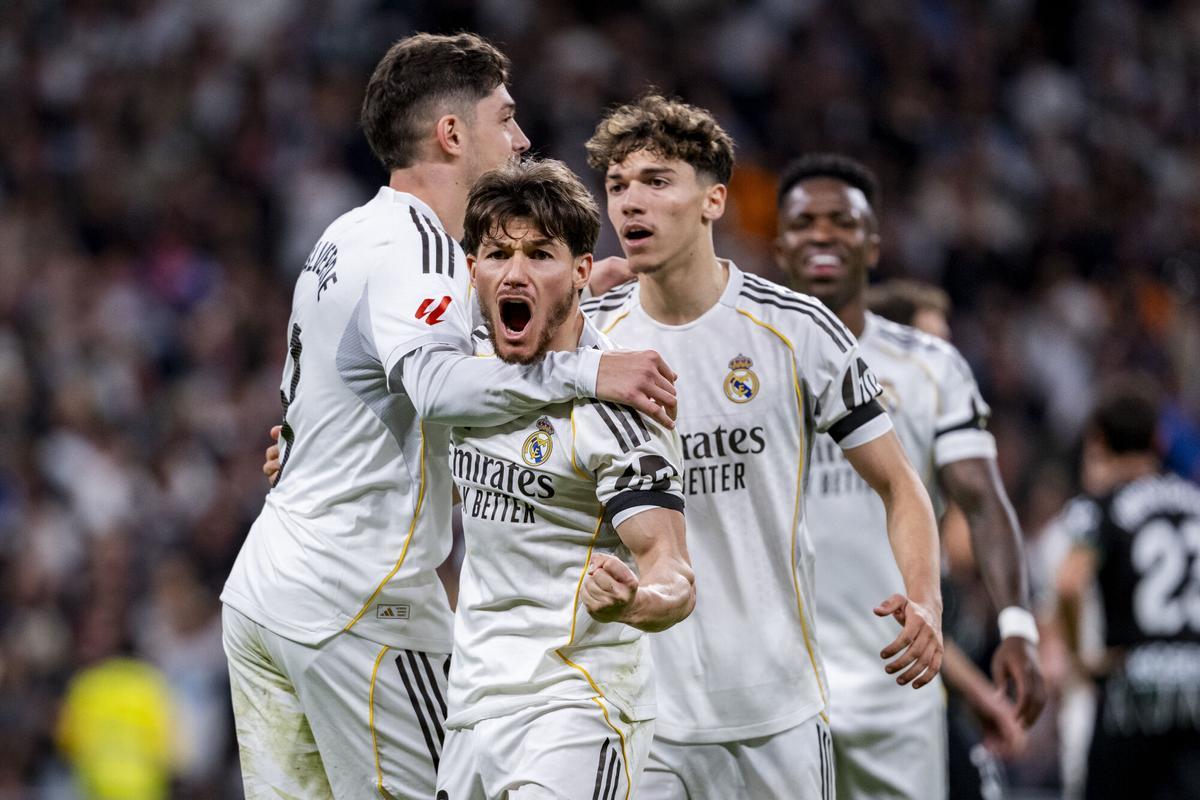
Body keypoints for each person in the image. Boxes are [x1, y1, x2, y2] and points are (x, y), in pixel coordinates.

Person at [220, 34, 676, 799]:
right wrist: (589, 369)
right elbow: (436, 385)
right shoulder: (421, 253)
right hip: (362, 605)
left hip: (265, 591)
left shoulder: (345, 234)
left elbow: (377, 378)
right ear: (453, 134)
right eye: (506, 117)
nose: (522, 138)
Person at [581, 95, 944, 799]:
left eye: (657, 181)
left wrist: (925, 599)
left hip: (777, 711)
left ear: (714, 199)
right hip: (638, 708)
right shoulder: (588, 342)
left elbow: (901, 484)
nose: (630, 202)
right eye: (618, 185)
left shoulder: (797, 331)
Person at [775, 154, 1046, 799]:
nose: (821, 234)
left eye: (842, 221)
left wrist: (1016, 625)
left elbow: (981, 502)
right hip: (771, 685)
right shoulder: (737, 357)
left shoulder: (931, 366)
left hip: (899, 681)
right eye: (804, 222)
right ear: (778, 241)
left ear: (873, 243)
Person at [435, 158, 695, 800]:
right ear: (473, 270)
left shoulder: (619, 410)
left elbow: (674, 568)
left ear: (580, 270)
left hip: (577, 709)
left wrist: (638, 601)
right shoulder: (458, 374)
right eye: (497, 253)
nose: (515, 272)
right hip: (471, 707)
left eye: (541, 254)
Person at [1056, 378, 1200, 800]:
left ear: (1098, 440)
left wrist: (1081, 660)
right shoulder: (1194, 501)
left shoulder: (1099, 507)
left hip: (1132, 684)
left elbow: (1068, 583)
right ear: (1158, 439)